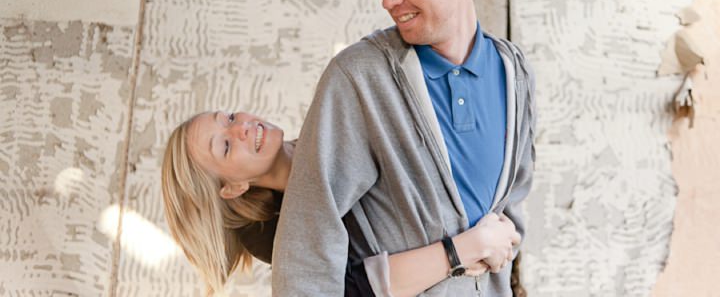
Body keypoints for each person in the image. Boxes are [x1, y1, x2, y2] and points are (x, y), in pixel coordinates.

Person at [272, 0, 536, 296]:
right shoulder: (360, 77)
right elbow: (309, 232)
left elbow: (513, 203)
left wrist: (503, 245)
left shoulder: (513, 71)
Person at [161, 110, 521, 296]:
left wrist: (490, 218)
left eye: (226, 117)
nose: (239, 127)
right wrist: (469, 246)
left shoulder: (330, 125)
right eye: (224, 146)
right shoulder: (287, 239)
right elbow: (364, 289)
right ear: (233, 188)